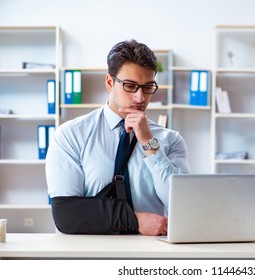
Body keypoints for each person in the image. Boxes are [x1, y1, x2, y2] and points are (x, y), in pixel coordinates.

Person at [45, 39, 191, 235]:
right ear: (109, 83)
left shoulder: (171, 140)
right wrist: (134, 220)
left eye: (148, 87)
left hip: (150, 257)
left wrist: (149, 142)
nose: (140, 98)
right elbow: (66, 214)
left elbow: (183, 207)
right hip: (88, 256)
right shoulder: (71, 135)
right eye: (130, 86)